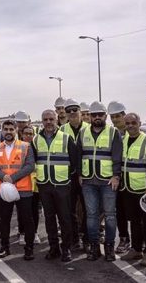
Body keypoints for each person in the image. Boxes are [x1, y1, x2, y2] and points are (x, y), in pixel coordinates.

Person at [78, 101, 123, 262]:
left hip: (108, 181)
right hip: (88, 180)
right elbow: (79, 154)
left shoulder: (113, 132)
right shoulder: (83, 132)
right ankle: (94, 247)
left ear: (105, 116)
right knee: (91, 215)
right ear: (89, 116)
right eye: (94, 114)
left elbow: (117, 156)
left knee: (110, 215)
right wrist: (79, 174)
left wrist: (116, 175)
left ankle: (109, 247)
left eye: (100, 114)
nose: (97, 117)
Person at [33, 110, 77, 263]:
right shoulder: (36, 139)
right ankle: (54, 248)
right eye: (45, 119)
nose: (49, 122)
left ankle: (66, 249)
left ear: (56, 120)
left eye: (51, 119)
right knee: (49, 218)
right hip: (44, 185)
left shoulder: (66, 138)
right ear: (42, 121)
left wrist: (66, 177)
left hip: (62, 185)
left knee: (65, 218)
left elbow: (74, 162)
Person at [0, 120, 36, 260]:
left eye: (11, 129)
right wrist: (3, 177)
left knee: (27, 220)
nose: (9, 132)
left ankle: (29, 248)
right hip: (4, 190)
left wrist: (13, 178)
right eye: (6, 129)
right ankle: (5, 247)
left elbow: (30, 166)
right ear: (2, 131)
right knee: (4, 220)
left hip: (23, 189)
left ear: (16, 130)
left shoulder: (26, 146)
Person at [119, 113, 146, 267]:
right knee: (134, 221)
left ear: (139, 123)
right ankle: (136, 249)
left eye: (133, 123)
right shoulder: (123, 141)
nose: (130, 126)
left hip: (144, 190)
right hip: (128, 189)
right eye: (127, 123)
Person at [61, 99, 90, 251]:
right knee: (69, 209)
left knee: (87, 209)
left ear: (80, 112)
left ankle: (86, 238)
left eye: (75, 110)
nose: (72, 113)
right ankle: (74, 238)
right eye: (69, 111)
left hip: (86, 175)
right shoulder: (62, 130)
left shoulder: (89, 128)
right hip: (69, 176)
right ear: (65, 114)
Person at [108, 101, 131, 255]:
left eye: (118, 116)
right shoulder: (110, 134)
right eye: (113, 117)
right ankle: (124, 238)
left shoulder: (135, 132)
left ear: (124, 115)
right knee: (120, 211)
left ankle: (140, 241)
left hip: (134, 178)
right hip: (117, 178)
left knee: (137, 213)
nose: (116, 119)